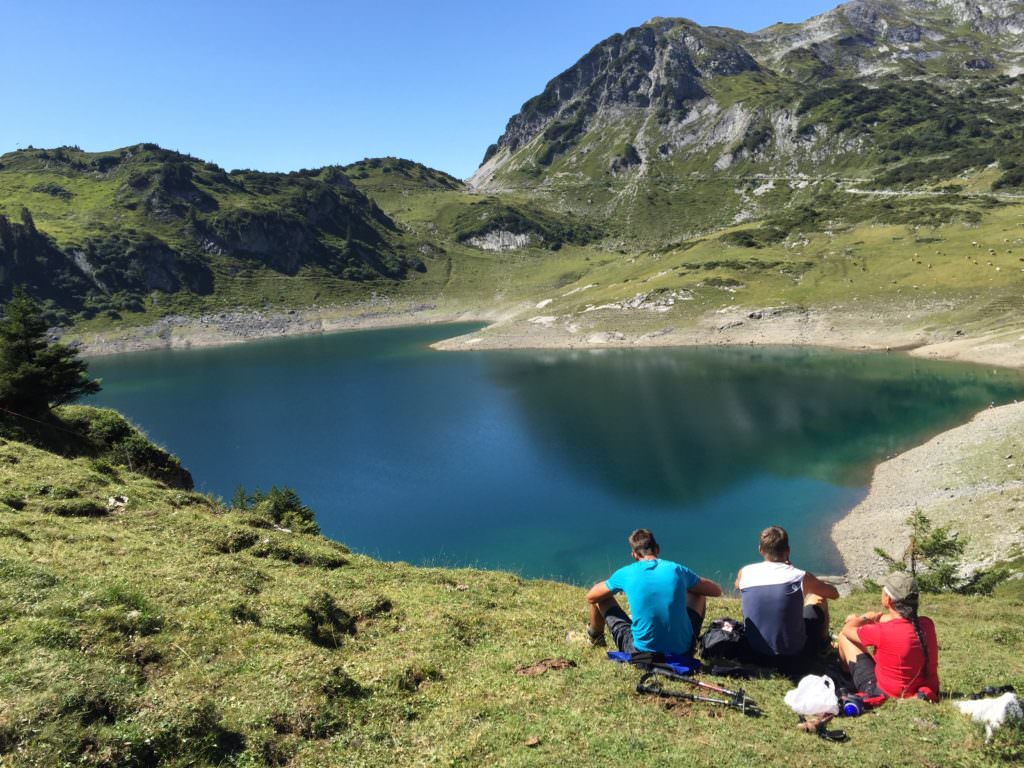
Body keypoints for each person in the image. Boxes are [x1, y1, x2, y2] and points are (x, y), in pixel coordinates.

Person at [583, 528, 722, 655]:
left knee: (600, 597)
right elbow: (716, 591)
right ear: (657, 549)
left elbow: (591, 597)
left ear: (634, 555)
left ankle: (595, 638)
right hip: (683, 651)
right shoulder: (676, 570)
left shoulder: (626, 573)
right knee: (699, 595)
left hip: (640, 653)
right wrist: (687, 583)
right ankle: (692, 642)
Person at [735, 526, 840, 664]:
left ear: (760, 550)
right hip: (793, 654)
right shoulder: (799, 576)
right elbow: (834, 594)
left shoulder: (745, 572)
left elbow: (737, 585)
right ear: (788, 551)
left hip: (755, 651)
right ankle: (824, 644)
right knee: (817, 598)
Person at [837, 572, 940, 701]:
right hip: (926, 690)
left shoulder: (882, 631)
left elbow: (848, 630)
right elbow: (896, 621)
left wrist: (863, 618)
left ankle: (846, 678)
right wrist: (876, 618)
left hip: (886, 693)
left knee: (843, 637)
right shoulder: (927, 624)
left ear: (888, 599)